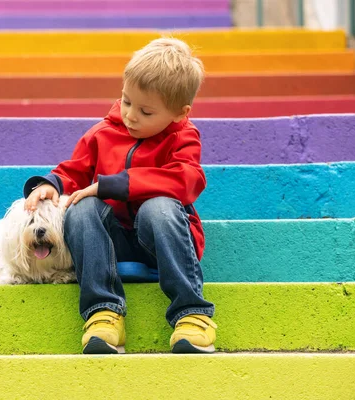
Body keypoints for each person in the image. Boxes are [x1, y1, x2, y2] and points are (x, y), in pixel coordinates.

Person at [23, 37, 216, 354]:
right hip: (110, 245)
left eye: (146, 111)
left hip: (161, 242)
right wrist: (52, 183)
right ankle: (103, 312)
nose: (131, 116)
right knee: (81, 206)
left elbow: (187, 179)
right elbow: (76, 170)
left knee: (159, 207)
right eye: (126, 102)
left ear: (180, 114)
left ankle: (192, 313)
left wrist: (115, 184)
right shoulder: (102, 132)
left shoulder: (184, 137)